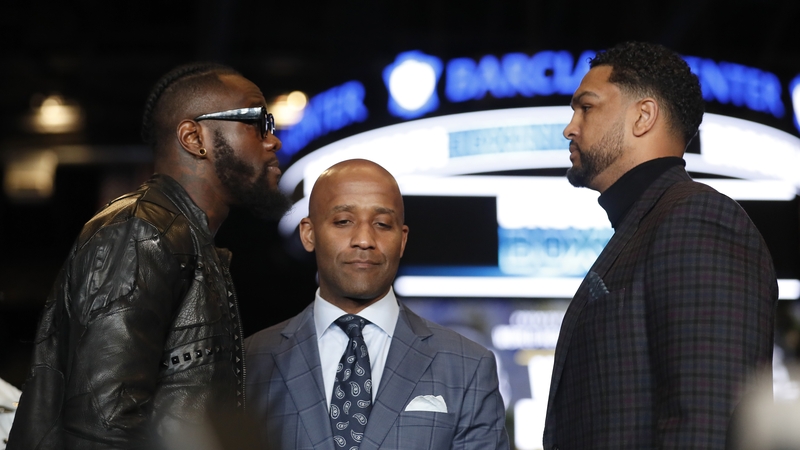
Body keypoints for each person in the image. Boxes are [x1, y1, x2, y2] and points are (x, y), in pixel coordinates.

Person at [7, 62, 290, 449]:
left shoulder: (184, 240)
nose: (273, 140)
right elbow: (101, 428)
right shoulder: (141, 233)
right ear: (194, 138)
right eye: (258, 121)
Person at [543, 41, 778, 449]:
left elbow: (709, 421)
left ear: (643, 116)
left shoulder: (698, 219)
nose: (570, 127)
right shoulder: (650, 223)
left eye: (586, 107)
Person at [245, 159, 509, 450]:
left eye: (382, 224)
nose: (364, 240)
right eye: (343, 221)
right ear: (309, 233)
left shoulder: (467, 365)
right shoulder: (252, 361)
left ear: (402, 239)